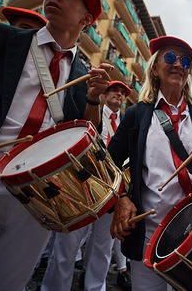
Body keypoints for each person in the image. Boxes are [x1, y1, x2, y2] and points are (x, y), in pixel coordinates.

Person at [0, 0, 112, 288]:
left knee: (7, 284)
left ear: (86, 19)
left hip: (39, 193)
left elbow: (88, 133)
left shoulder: (82, 75)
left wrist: (93, 99)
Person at [107, 36, 192, 291]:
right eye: (170, 58)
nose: (178, 65)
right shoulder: (137, 114)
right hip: (148, 231)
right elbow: (108, 163)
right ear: (154, 67)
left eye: (185, 61)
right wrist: (121, 198)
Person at [41, 81, 131, 291]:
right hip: (84, 187)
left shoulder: (126, 121)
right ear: (105, 94)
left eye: (122, 93)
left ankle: (95, 288)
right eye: (115, 90)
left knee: (103, 247)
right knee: (67, 246)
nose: (119, 94)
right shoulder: (92, 112)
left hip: (112, 190)